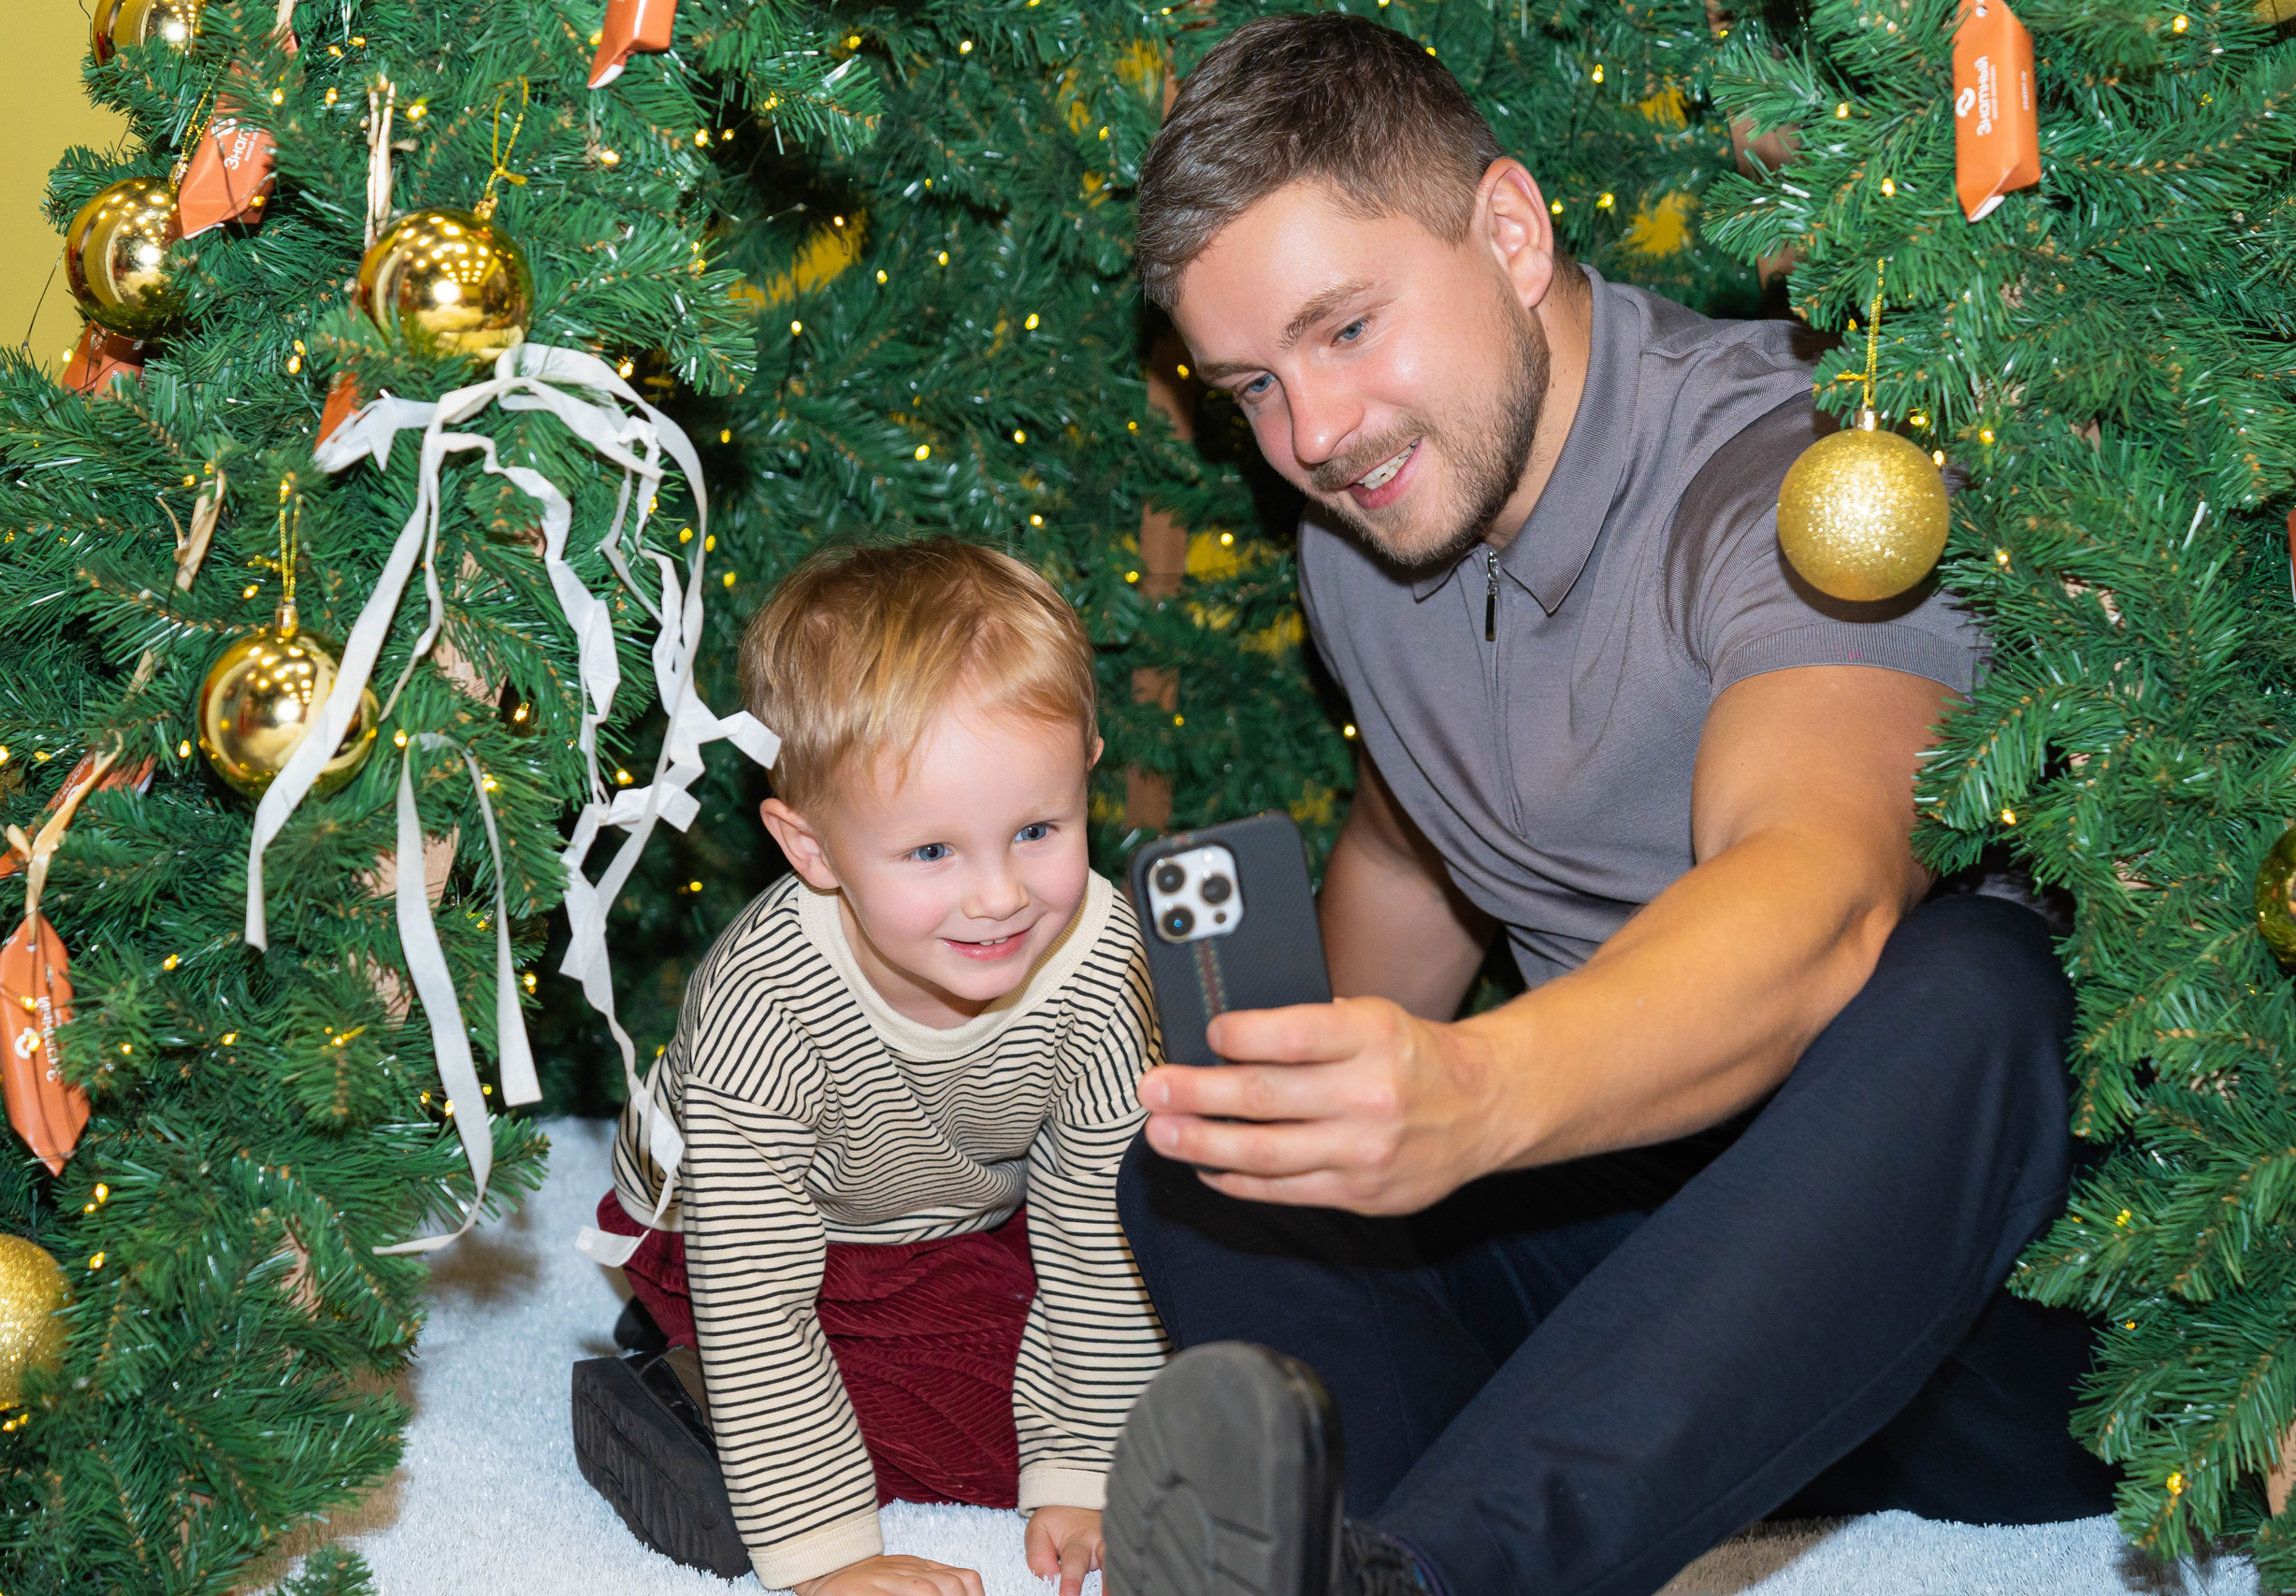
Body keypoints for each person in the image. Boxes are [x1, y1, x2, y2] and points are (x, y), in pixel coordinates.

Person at [1098, 16, 2114, 1596]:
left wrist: (1471, 1091)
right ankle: (1366, 1552)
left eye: (1347, 328)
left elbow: (1824, 891)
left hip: (1964, 1305)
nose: (1312, 436)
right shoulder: (1371, 534)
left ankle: (1453, 1574)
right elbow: (1412, 841)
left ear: (1509, 230)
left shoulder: (1799, 473)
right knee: (1203, 1163)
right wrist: (1323, 1100)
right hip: (1651, 1302)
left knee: (1975, 990)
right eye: (1253, 386)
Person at [570, 540, 1167, 1596]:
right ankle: (676, 1395)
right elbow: (760, 1289)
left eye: (1036, 830)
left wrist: (1082, 1465)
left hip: (963, 1206)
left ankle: (773, 1417)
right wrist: (830, 1559)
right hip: (738, 1233)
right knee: (974, 1427)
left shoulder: (1101, 960)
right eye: (932, 852)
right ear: (812, 851)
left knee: (1190, 1303)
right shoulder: (769, 1002)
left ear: (1085, 775)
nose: (998, 897)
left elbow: (1097, 1224)